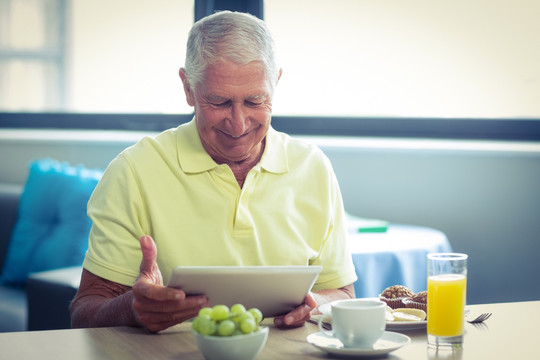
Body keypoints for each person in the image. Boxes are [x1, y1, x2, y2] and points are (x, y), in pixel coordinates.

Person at [69, 10, 357, 333]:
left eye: (254, 100)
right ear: (188, 88)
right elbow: (84, 311)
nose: (238, 122)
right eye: (219, 102)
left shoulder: (313, 167)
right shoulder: (133, 171)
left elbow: (342, 293)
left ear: (275, 83)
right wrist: (131, 308)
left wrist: (314, 303)